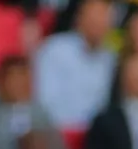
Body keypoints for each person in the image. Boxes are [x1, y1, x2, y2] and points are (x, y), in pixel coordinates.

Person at [32, 0, 116, 131]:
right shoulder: (54, 49)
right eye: (93, 16)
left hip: (98, 136)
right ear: (79, 18)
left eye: (104, 16)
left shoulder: (111, 59)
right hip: (59, 132)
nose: (98, 22)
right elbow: (44, 103)